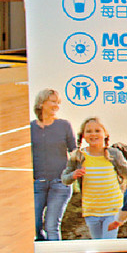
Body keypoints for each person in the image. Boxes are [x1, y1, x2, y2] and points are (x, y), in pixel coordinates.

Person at [61, 116, 127, 239]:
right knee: (97, 245)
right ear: (83, 135)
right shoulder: (78, 156)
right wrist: (73, 175)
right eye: (89, 131)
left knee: (107, 245)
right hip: (91, 210)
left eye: (97, 131)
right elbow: (65, 179)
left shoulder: (114, 154)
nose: (93, 134)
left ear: (105, 134)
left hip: (113, 209)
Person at [31, 88, 76, 241]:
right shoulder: (31, 128)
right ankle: (43, 248)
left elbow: (74, 152)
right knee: (35, 226)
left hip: (60, 184)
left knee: (51, 226)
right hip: (37, 184)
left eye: (58, 102)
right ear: (42, 103)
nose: (56, 105)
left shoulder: (64, 125)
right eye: (53, 101)